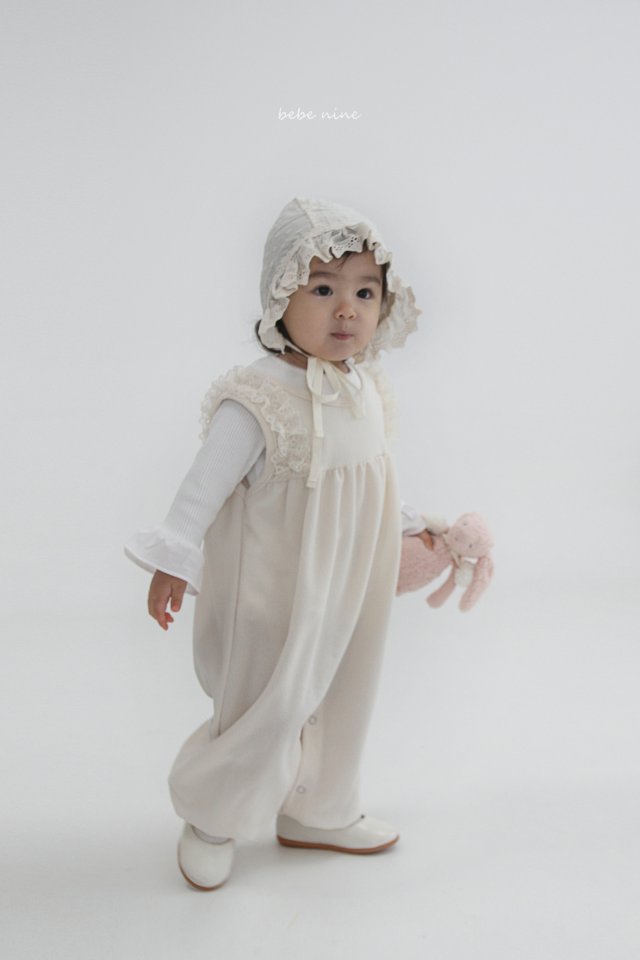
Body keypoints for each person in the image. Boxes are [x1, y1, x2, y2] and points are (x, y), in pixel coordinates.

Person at [124, 196, 439, 891]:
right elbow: (202, 487)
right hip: (275, 587)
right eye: (322, 290)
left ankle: (319, 809)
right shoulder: (258, 399)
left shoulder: (362, 389)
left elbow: (368, 473)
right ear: (279, 296)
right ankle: (213, 816)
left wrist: (409, 524)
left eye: (365, 293)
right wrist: (173, 558)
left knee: (347, 691)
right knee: (267, 703)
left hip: (348, 585)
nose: (347, 310)